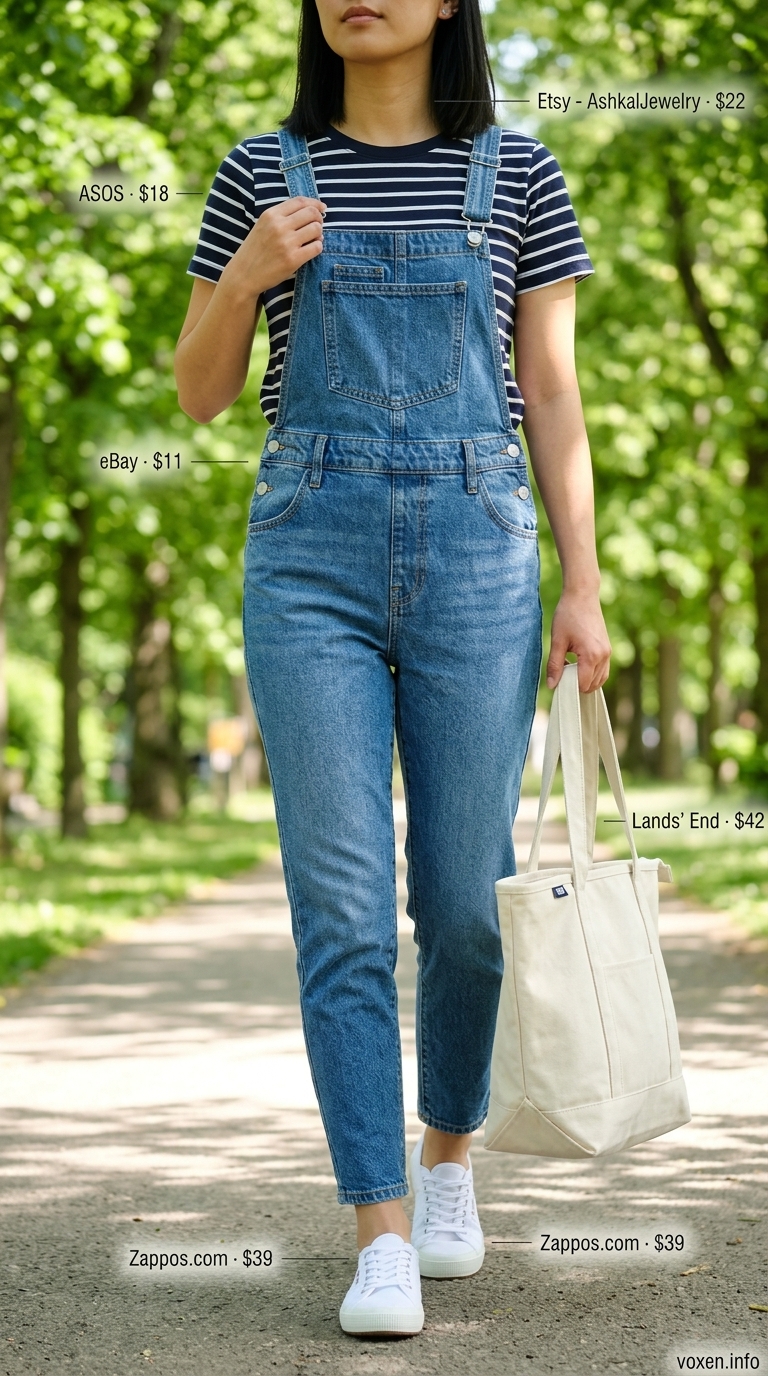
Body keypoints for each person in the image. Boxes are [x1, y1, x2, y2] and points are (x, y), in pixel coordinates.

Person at [175, 0, 611, 1339]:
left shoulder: (518, 172)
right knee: (344, 909)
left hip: (480, 549)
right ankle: (379, 1232)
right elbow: (198, 392)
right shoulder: (261, 170)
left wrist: (584, 582)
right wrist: (245, 276)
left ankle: (447, 1160)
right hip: (309, 553)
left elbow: (552, 390)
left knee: (467, 907)